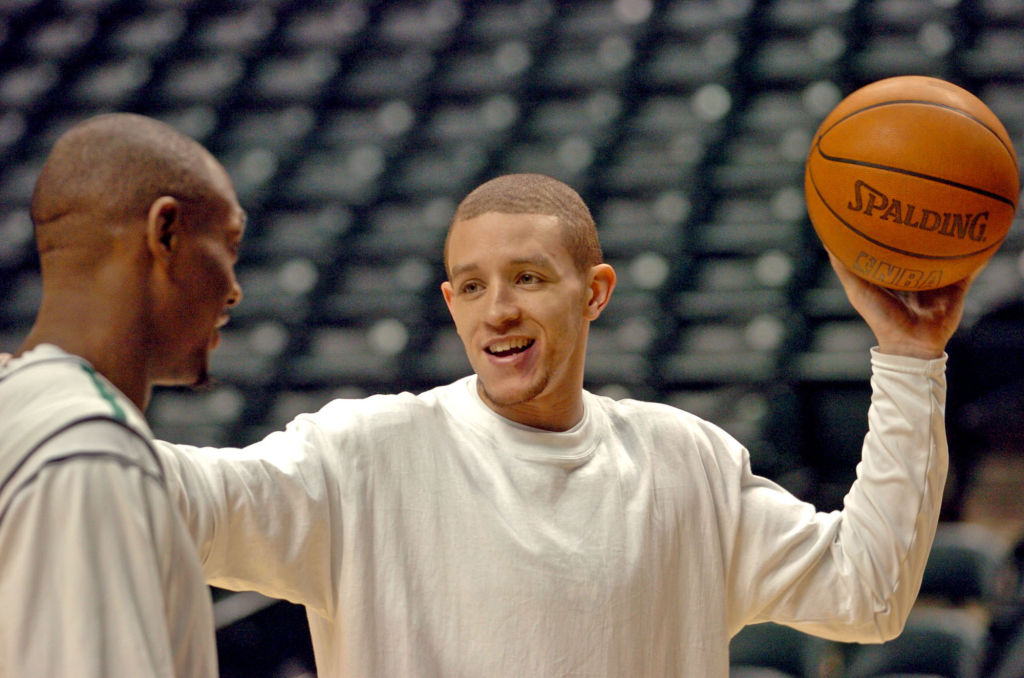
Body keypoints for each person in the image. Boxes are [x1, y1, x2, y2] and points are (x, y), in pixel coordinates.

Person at [158, 173, 969, 677]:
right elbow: (181, 498)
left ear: (595, 291)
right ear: (450, 305)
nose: (498, 309)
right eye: (471, 287)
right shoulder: (362, 455)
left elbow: (868, 593)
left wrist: (907, 356)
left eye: (528, 277)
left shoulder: (684, 461)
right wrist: (45, 392)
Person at [0, 113, 245, 677]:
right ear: (165, 233)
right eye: (228, 245)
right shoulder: (88, 450)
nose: (234, 288)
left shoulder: (21, 407)